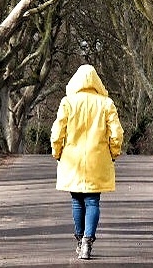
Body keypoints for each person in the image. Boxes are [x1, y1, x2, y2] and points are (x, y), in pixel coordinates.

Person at [50, 64, 124, 260]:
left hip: (72, 159)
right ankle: (87, 241)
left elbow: (57, 132)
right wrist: (114, 152)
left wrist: (56, 152)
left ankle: (79, 238)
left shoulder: (68, 102)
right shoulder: (106, 103)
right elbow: (117, 133)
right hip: (97, 159)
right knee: (93, 201)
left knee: (76, 201)